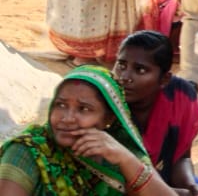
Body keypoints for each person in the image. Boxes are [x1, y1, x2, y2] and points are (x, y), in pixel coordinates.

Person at [0, 66, 177, 196]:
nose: (67, 118)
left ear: (109, 118)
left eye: (84, 109)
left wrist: (126, 159)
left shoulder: (118, 152)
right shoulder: (28, 151)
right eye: (60, 105)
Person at [111, 31, 198, 195]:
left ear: (164, 80)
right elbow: (107, 178)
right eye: (121, 65)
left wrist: (190, 185)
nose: (124, 77)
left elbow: (181, 157)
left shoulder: (181, 97)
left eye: (140, 70)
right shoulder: (105, 103)